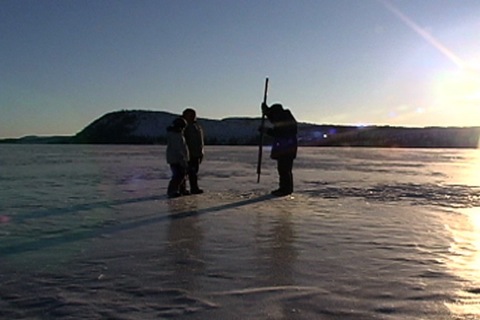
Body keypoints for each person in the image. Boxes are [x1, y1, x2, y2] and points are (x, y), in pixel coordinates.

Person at [261, 102, 298, 196]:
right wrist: (266, 111)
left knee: (284, 169)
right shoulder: (283, 117)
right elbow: (273, 119)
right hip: (285, 148)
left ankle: (285, 189)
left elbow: (279, 132)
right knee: (283, 169)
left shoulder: (285, 119)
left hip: (287, 148)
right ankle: (285, 188)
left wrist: (267, 130)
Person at [181, 108, 205, 194]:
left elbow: (200, 141)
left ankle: (194, 188)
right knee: (184, 173)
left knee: (194, 172)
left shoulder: (197, 127)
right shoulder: (183, 127)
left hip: (196, 153)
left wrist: (201, 152)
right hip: (187, 154)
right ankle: (182, 189)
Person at [166, 117, 189, 198]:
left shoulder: (177, 134)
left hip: (175, 158)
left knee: (182, 174)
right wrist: (182, 159)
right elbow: (178, 148)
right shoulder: (176, 135)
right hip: (176, 159)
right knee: (178, 175)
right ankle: (172, 190)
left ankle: (181, 189)